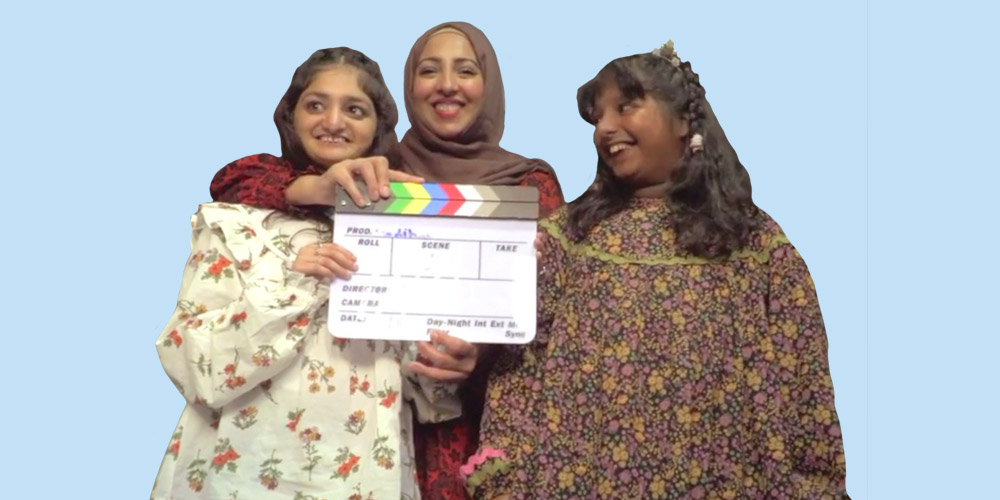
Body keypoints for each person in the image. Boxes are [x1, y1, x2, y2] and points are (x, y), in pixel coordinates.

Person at [464, 42, 852, 500]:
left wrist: (816, 484)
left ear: (685, 120)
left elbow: (803, 378)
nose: (605, 127)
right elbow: (515, 373)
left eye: (625, 106)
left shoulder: (757, 244)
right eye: (597, 116)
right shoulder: (565, 238)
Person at [207, 22, 565, 500]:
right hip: (363, 411)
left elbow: (558, 307)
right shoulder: (374, 166)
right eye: (429, 70)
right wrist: (313, 187)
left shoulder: (527, 184)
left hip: (475, 417)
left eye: (466, 70)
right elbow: (235, 180)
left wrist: (480, 354)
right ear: (407, 88)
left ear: (491, 85)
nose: (447, 84)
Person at [150, 47, 467, 500]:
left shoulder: (404, 232)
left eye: (354, 109)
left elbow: (430, 400)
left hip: (364, 478)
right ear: (290, 116)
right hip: (239, 474)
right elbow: (188, 362)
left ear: (379, 125)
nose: (333, 122)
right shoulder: (235, 221)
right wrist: (292, 285)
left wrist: (443, 357)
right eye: (316, 105)